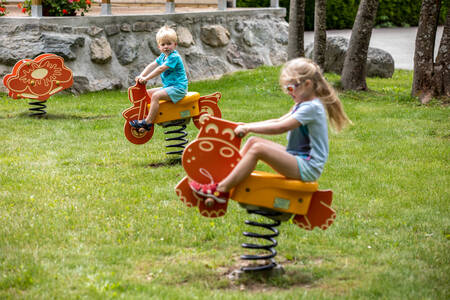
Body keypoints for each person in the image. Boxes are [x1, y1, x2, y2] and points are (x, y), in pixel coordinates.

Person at [189, 57, 352, 202]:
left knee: (258, 149)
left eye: (290, 88)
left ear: (307, 84)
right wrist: (247, 126)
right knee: (253, 142)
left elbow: (280, 127)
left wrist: (249, 128)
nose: (288, 93)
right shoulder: (302, 104)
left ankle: (221, 189)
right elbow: (277, 120)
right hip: (297, 158)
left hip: (307, 167)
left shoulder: (312, 108)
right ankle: (226, 177)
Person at [129, 25, 188, 132]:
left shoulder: (174, 57)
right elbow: (152, 65)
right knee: (148, 93)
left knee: (156, 96)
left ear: (175, 44)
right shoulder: (162, 57)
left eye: (169, 44)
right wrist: (142, 75)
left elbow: (160, 69)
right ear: (159, 47)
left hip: (179, 88)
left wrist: (146, 78)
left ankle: (148, 122)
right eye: (163, 44)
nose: (166, 47)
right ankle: (149, 115)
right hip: (169, 87)